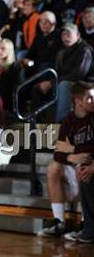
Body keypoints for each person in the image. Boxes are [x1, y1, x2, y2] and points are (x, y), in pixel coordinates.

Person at [39, 82, 93, 240]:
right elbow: (58, 152)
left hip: (90, 168)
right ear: (78, 101)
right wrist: (71, 156)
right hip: (76, 164)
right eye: (90, 98)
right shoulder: (68, 121)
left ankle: (86, 224)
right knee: (53, 167)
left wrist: (73, 149)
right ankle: (59, 222)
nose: (93, 101)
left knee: (82, 167)